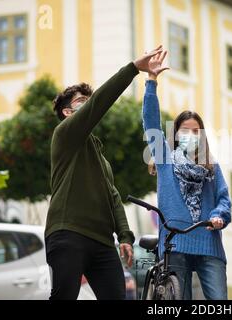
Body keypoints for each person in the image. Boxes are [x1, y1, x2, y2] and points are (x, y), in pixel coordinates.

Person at [45, 45, 166, 300]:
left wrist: (124, 236)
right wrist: (134, 68)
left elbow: (112, 196)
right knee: (63, 295)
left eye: (88, 101)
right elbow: (100, 103)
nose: (88, 104)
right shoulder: (65, 135)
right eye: (81, 102)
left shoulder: (100, 157)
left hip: (101, 242)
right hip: (68, 232)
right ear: (67, 112)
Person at [142, 51, 232, 300]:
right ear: (175, 134)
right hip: (175, 244)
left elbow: (225, 201)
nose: (190, 135)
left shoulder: (211, 167)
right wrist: (151, 80)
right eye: (185, 130)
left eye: (196, 131)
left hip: (208, 244)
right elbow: (150, 123)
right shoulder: (165, 161)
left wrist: (218, 216)